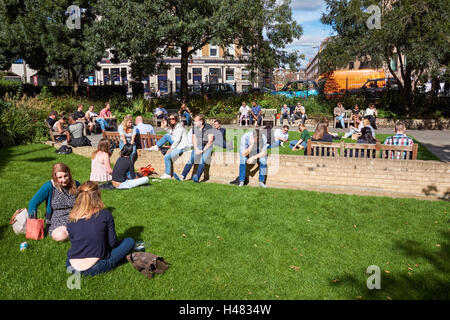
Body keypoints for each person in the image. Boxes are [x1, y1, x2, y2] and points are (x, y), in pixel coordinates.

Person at [66, 181, 135, 276]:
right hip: (95, 267)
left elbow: (75, 241)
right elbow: (112, 244)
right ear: (97, 195)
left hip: (71, 266)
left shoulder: (71, 218)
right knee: (129, 241)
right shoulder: (105, 214)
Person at [28, 163, 80, 241]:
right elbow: (33, 203)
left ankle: (74, 232)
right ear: (55, 177)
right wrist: (32, 222)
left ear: (69, 174)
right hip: (56, 219)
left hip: (75, 217)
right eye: (60, 177)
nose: (64, 179)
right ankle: (75, 232)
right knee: (60, 236)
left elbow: (85, 200)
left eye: (66, 176)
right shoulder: (49, 186)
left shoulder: (76, 184)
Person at [174, 114, 215, 182]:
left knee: (203, 160)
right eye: (194, 121)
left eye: (196, 121)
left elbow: (210, 140)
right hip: (198, 146)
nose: (194, 122)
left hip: (207, 146)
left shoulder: (208, 127)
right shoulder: (195, 127)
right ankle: (182, 176)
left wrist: (202, 150)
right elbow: (194, 139)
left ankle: (196, 177)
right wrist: (196, 149)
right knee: (191, 160)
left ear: (201, 121)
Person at [148, 114, 189, 179]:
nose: (171, 120)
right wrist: (165, 127)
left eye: (173, 119)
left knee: (167, 156)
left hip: (181, 146)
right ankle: (156, 146)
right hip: (178, 144)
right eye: (170, 119)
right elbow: (172, 134)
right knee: (167, 135)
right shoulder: (175, 126)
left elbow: (177, 140)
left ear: (176, 119)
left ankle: (167, 174)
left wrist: (171, 149)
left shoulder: (179, 127)